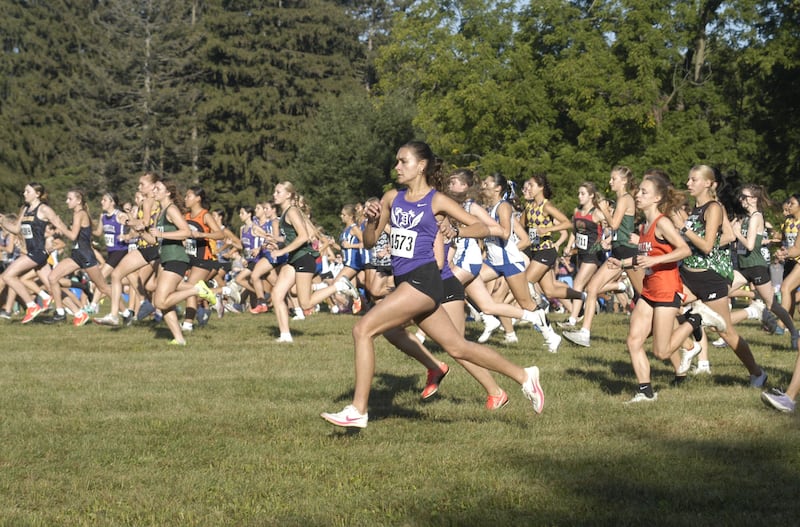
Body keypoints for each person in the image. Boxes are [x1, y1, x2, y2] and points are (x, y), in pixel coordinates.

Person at [320, 141, 545, 429]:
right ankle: (525, 376)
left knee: (362, 329)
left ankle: (358, 410)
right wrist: (370, 221)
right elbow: (370, 242)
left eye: (403, 162)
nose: (397, 167)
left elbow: (483, 227)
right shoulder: (391, 198)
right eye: (397, 161)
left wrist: (457, 230)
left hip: (423, 281)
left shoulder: (437, 200)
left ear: (421, 166)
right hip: (407, 281)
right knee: (458, 348)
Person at [609, 172, 701, 402]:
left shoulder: (663, 223)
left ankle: (695, 321)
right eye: (638, 191)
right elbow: (644, 256)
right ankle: (645, 391)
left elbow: (684, 250)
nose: (638, 195)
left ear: (657, 198)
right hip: (650, 290)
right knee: (633, 341)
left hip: (667, 290)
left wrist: (655, 261)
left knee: (661, 352)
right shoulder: (645, 227)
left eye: (643, 192)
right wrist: (621, 263)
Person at [676, 165, 767, 387]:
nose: (688, 183)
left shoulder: (714, 207)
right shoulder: (695, 210)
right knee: (667, 309)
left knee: (725, 331)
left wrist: (685, 230)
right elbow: (723, 237)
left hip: (709, 278)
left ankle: (757, 372)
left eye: (694, 180)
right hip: (688, 274)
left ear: (708, 183)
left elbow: (708, 245)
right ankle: (692, 344)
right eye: (688, 179)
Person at [268, 182, 359, 343]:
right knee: (277, 294)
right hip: (294, 259)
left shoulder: (292, 211)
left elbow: (303, 237)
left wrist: (281, 251)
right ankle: (285, 335)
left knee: (305, 303)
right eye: (275, 191)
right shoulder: (286, 213)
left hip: (303, 258)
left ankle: (339, 286)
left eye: (278, 191)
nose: (274, 194)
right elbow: (298, 235)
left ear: (288, 194)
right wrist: (276, 241)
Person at [563, 167, 643, 347]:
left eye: (613, 179)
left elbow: (613, 224)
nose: (610, 182)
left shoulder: (626, 199)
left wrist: (605, 209)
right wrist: (607, 240)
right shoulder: (620, 199)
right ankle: (585, 333)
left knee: (647, 295)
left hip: (629, 252)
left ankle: (682, 323)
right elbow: (615, 229)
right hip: (617, 252)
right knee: (592, 288)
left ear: (624, 181)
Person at [143, 180, 216, 345]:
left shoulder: (171, 210)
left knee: (160, 301)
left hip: (177, 258)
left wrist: (162, 236)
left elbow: (186, 232)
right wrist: (139, 231)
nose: (154, 191)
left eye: (158, 188)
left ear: (167, 193)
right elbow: (153, 239)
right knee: (163, 302)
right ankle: (179, 338)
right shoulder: (161, 213)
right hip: (166, 258)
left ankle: (196, 289)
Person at [731, 185, 798, 349]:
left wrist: (738, 233)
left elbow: (750, 246)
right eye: (740, 196)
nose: (741, 200)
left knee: (772, 305)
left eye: (744, 197)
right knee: (723, 291)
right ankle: (754, 303)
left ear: (754, 199)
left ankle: (794, 332)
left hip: (756, 267)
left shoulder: (756, 217)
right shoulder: (743, 217)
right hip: (742, 266)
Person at [94, 172, 161, 326]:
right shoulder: (155, 202)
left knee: (153, 284)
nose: (139, 187)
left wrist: (128, 221)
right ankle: (118, 313)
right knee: (123, 276)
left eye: (142, 184)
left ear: (152, 185)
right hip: (147, 246)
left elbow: (142, 224)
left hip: (152, 246)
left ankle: (206, 291)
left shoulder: (148, 202)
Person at [0, 183, 68, 323]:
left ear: (37, 194)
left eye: (27, 191)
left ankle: (31, 306)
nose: (24, 193)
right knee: (52, 285)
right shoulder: (25, 209)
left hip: (39, 252)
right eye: (24, 191)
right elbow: (15, 229)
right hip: (31, 251)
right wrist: (2, 221)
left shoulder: (44, 209)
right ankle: (79, 313)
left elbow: (61, 227)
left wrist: (52, 238)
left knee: (7, 276)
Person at [46, 190, 113, 326]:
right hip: (77, 255)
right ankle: (61, 312)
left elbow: (72, 236)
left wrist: (60, 225)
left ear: (78, 200)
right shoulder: (77, 214)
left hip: (85, 254)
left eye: (69, 199)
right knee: (52, 278)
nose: (67, 201)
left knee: (103, 287)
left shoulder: (80, 214)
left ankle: (126, 313)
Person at [559, 181, 608, 330]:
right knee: (589, 286)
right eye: (578, 193)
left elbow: (611, 228)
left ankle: (573, 319)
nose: (579, 196)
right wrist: (568, 246)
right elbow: (575, 232)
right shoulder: (577, 212)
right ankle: (621, 286)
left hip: (593, 253)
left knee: (578, 283)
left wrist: (606, 242)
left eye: (583, 194)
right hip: (581, 253)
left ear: (591, 196)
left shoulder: (597, 213)